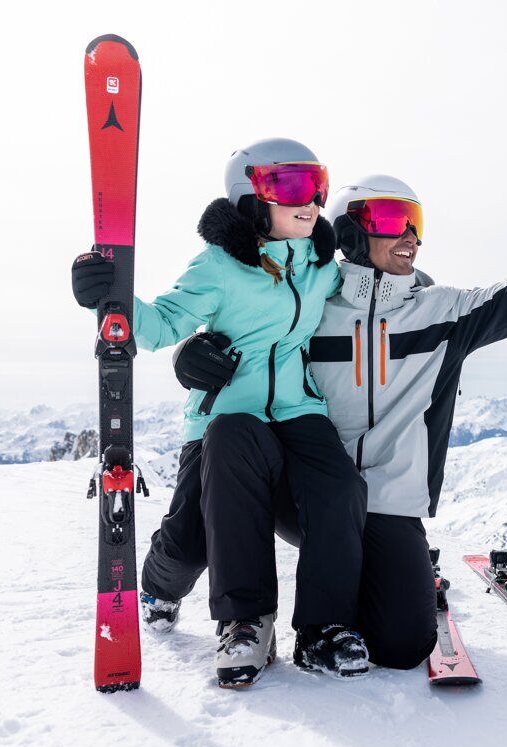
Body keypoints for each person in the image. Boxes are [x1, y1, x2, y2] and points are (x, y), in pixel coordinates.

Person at [170, 169, 507, 671]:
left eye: (415, 223)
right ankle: (222, 611)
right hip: (306, 495)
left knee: (402, 645)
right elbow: (244, 330)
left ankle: (377, 584)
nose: (409, 235)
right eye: (389, 219)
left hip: (387, 502)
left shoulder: (443, 314)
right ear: (349, 233)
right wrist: (190, 355)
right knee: (201, 512)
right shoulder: (310, 304)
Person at [70, 138, 371, 687]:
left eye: (316, 184)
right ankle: (214, 609)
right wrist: (108, 297)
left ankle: (323, 629)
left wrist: (416, 286)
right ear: (250, 196)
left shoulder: (320, 266)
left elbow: (373, 292)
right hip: (224, 420)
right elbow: (162, 323)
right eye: (291, 186)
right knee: (191, 543)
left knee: (341, 488)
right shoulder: (219, 266)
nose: (310, 200)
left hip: (297, 412)